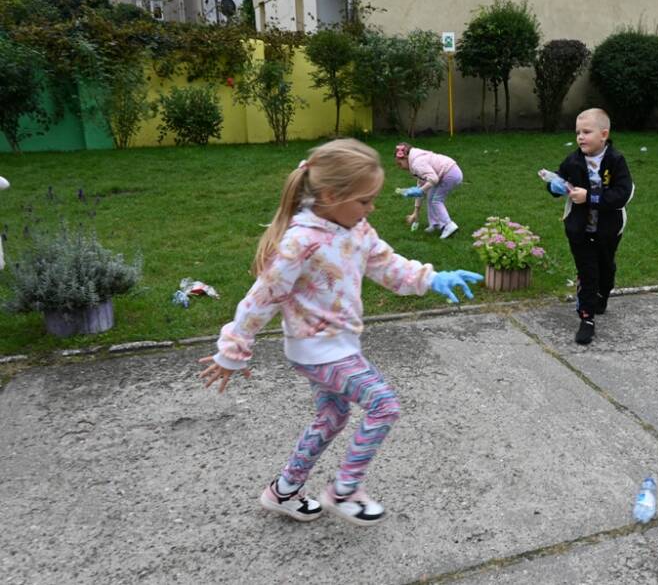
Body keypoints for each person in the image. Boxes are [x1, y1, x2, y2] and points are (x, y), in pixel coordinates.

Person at [197, 138, 483, 526]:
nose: (371, 208)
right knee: (384, 405)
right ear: (332, 196)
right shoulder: (301, 241)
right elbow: (262, 297)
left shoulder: (357, 229)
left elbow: (389, 266)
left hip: (338, 346)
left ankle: (283, 490)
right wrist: (233, 350)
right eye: (364, 201)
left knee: (333, 416)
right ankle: (345, 490)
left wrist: (433, 278)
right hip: (317, 348)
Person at [544, 108, 634, 345]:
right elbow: (559, 178)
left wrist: (590, 197)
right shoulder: (573, 161)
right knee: (587, 273)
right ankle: (586, 319)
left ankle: (603, 293)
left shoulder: (615, 161)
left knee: (605, 269)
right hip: (580, 230)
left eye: (586, 132)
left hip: (608, 230)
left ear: (603, 134)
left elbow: (622, 194)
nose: (580, 137)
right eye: (577, 133)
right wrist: (555, 185)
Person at [394, 143, 463, 239]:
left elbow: (433, 179)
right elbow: (421, 185)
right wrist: (416, 212)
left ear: (405, 158)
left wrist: (420, 191)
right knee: (430, 197)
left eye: (399, 164)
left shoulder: (417, 164)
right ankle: (435, 224)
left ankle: (449, 225)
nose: (400, 167)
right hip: (448, 172)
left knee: (436, 200)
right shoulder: (416, 162)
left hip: (449, 174)